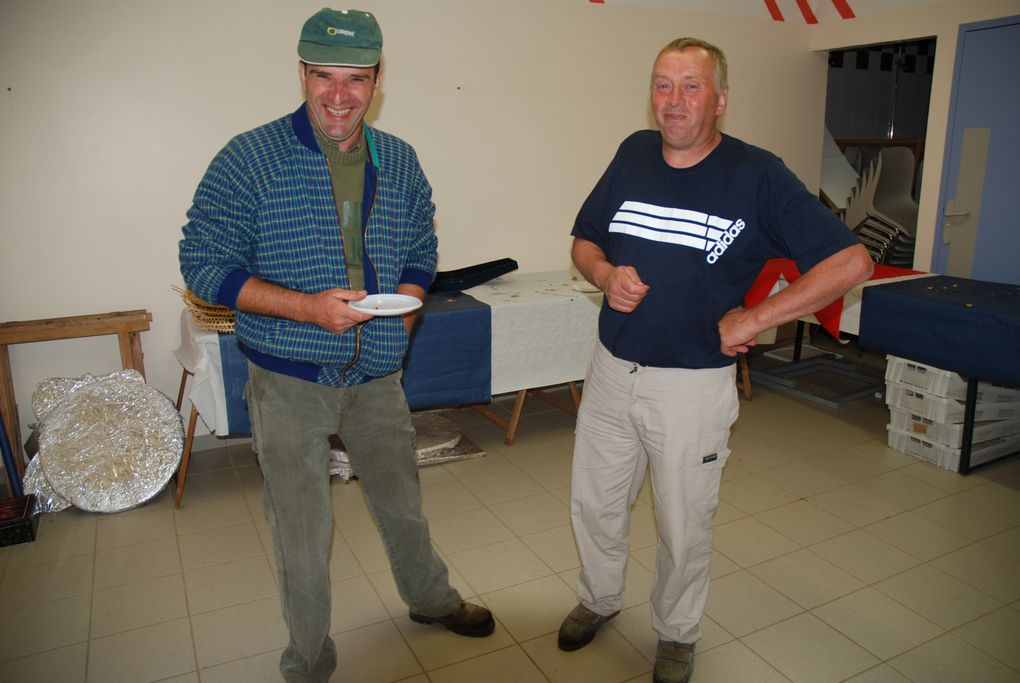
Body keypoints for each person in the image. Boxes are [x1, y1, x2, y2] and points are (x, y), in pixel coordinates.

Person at [179, 9, 494, 682]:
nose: (339, 95)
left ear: (377, 81)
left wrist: (406, 313)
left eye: (356, 78)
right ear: (302, 72)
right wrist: (304, 309)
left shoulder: (399, 160)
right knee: (302, 529)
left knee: (402, 502)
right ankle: (310, 657)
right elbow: (203, 261)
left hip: (377, 373)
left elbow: (422, 250)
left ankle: (431, 597)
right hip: (287, 379)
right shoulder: (250, 158)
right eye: (324, 75)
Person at [558, 38, 873, 683]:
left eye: (691, 87)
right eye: (663, 85)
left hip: (692, 385)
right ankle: (599, 598)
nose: (673, 101)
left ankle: (676, 633)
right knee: (595, 503)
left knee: (683, 519)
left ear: (720, 100)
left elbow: (852, 261)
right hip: (613, 368)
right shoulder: (634, 151)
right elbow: (584, 239)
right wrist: (604, 271)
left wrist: (757, 318)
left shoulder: (757, 175)